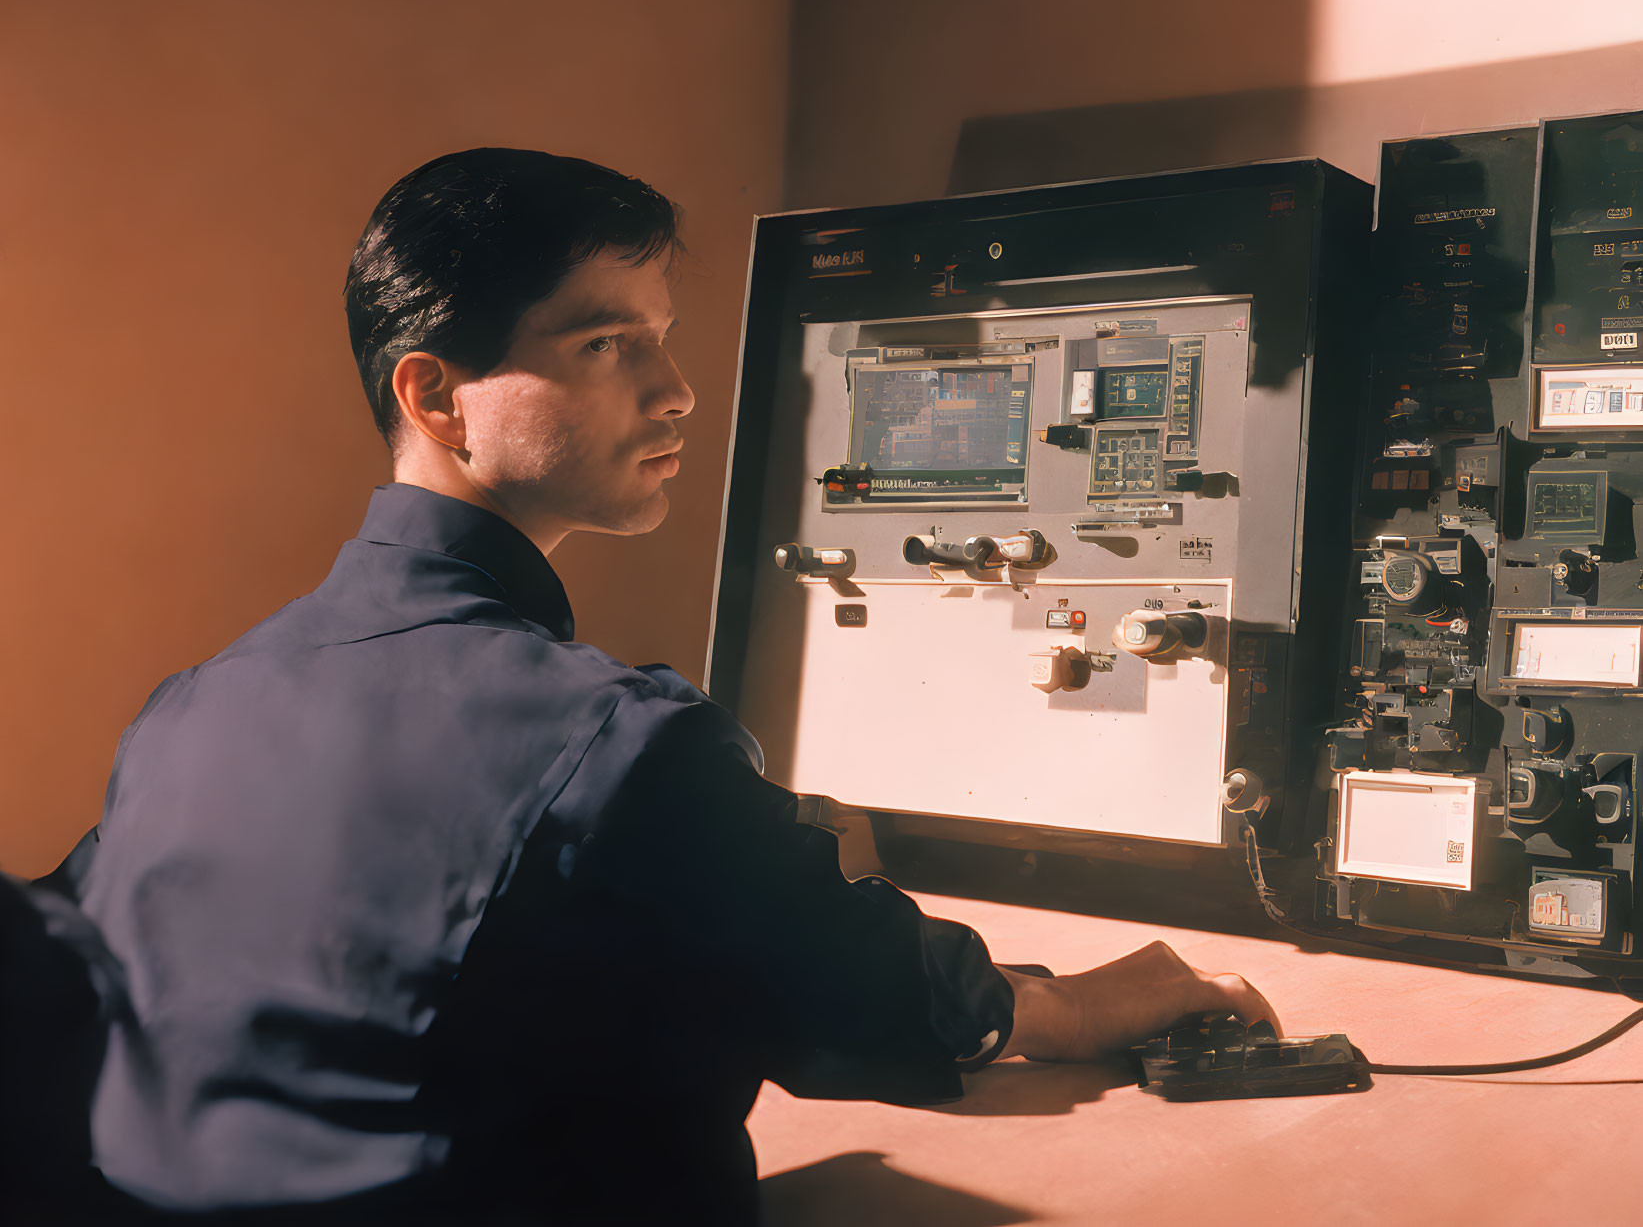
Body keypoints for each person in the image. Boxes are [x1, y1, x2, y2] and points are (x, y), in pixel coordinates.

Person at [51, 149, 1279, 1225]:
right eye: (605, 343)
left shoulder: (189, 707)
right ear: (435, 395)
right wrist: (1076, 1007)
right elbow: (868, 1001)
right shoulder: (614, 745)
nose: (675, 388)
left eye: (661, 333)